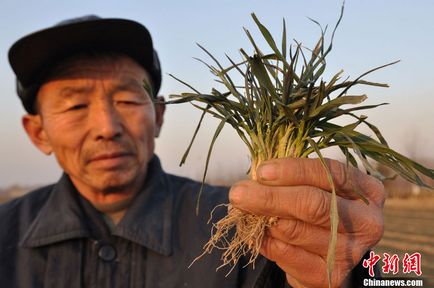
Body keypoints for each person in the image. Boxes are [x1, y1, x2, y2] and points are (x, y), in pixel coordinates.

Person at [0, 15, 384, 287]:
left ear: (159, 115)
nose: (107, 128)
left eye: (128, 99)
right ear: (38, 133)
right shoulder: (6, 236)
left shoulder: (245, 224)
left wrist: (353, 272)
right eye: (75, 106)